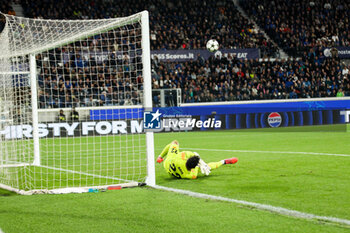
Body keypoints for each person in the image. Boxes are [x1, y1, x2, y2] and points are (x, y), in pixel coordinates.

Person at [156, 140, 238, 179]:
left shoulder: (182, 155)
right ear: (193, 167)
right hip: (174, 171)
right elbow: (195, 156)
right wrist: (203, 164)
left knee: (175, 143)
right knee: (207, 168)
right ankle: (224, 161)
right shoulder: (192, 174)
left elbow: (193, 155)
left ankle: (160, 156)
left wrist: (200, 162)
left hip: (168, 162)